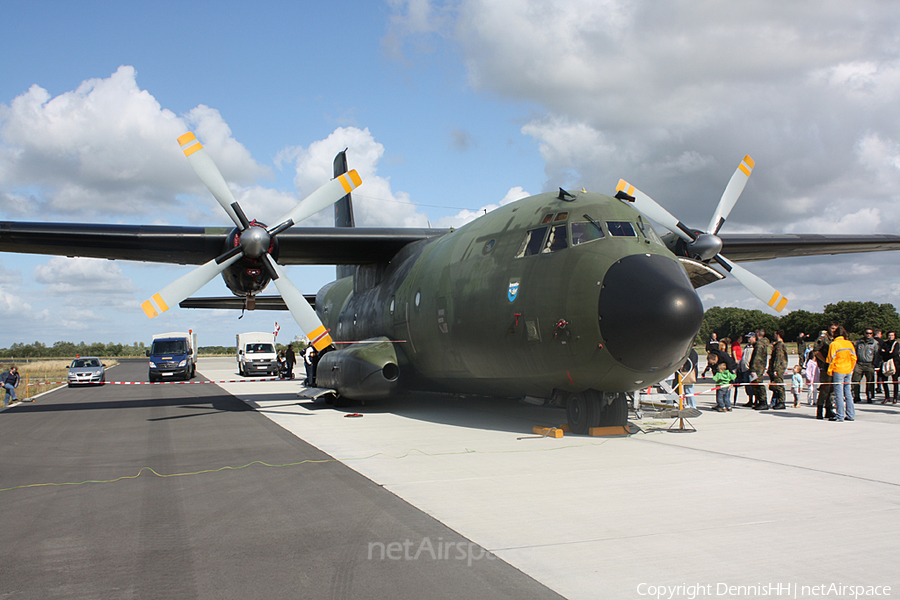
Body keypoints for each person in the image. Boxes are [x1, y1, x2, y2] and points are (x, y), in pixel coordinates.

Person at [827, 326, 857, 422]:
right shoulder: (849, 343)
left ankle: (840, 416)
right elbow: (854, 357)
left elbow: (831, 359)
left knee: (839, 394)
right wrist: (851, 368)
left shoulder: (834, 344)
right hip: (848, 370)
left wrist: (830, 371)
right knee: (848, 393)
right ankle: (851, 415)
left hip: (838, 370)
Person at [812, 322, 838, 420]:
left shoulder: (836, 339)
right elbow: (816, 350)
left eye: (835, 328)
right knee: (825, 389)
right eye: (832, 328)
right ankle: (820, 409)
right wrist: (825, 361)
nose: (834, 330)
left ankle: (829, 409)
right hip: (825, 367)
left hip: (834, 367)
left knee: (831, 390)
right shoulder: (823, 338)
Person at [852, 328, 879, 404]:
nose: (868, 335)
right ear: (864, 333)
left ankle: (869, 396)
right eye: (867, 333)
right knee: (855, 381)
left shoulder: (875, 343)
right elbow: (855, 351)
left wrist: (874, 364)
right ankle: (856, 396)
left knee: (870, 382)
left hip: (869, 364)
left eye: (870, 333)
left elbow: (877, 354)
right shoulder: (859, 342)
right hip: (859, 363)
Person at [749, 328, 769, 410]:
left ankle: (763, 402)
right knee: (756, 385)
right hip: (760, 366)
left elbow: (756, 358)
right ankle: (760, 401)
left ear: (757, 333)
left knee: (758, 385)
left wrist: (753, 369)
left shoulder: (759, 344)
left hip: (757, 367)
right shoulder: (761, 343)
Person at [768, 330, 788, 409]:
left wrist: (775, 369)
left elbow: (778, 358)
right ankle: (776, 401)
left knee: (779, 386)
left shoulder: (779, 346)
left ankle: (781, 402)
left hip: (778, 368)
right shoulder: (778, 345)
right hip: (777, 367)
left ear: (778, 335)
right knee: (776, 386)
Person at [880, 331, 899, 404]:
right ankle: (887, 396)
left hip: (895, 363)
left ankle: (895, 397)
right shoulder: (885, 343)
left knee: (895, 380)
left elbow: (894, 353)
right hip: (886, 363)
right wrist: (888, 352)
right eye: (889, 335)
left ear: (894, 336)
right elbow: (881, 352)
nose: (890, 336)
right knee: (884, 380)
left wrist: (886, 352)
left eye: (892, 335)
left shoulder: (896, 344)